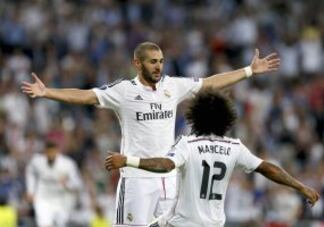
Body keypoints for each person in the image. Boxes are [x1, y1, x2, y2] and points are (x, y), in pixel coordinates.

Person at [21, 41, 280, 226]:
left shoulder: (172, 86)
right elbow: (87, 96)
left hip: (167, 177)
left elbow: (209, 82)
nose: (158, 67)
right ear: (137, 63)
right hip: (136, 179)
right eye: (153, 62)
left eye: (161, 62)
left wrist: (248, 71)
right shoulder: (123, 91)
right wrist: (47, 92)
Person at [104, 89, 320, 227]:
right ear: (226, 120)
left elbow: (166, 165)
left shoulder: (187, 144)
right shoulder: (235, 147)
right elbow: (267, 168)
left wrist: (128, 160)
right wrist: (301, 187)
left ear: (195, 118)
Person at [25, 141, 82, 227]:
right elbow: (30, 172)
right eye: (48, 152)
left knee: (60, 224)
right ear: (45, 152)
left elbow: (78, 183)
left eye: (53, 152)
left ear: (57, 151)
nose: (50, 155)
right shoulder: (37, 162)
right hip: (43, 198)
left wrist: (67, 183)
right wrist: (30, 190)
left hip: (62, 200)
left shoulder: (67, 164)